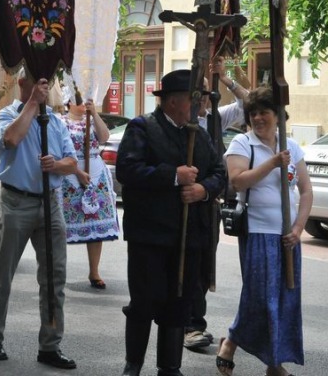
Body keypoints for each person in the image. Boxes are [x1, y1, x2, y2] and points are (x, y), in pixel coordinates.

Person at [115, 69, 226, 376]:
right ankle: (133, 364)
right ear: (176, 101)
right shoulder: (143, 128)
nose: (202, 105)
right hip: (150, 236)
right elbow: (127, 170)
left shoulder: (199, 134)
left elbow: (220, 173)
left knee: (180, 303)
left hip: (189, 237)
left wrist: (204, 190)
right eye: (197, 99)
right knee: (144, 302)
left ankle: (169, 367)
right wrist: (173, 176)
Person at [0, 70, 78, 369]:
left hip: (51, 204)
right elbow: (10, 140)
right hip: (16, 202)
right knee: (4, 275)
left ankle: (50, 345)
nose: (43, 87)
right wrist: (32, 105)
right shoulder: (7, 115)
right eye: (37, 82)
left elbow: (72, 163)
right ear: (21, 84)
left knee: (54, 276)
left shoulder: (56, 122)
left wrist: (56, 164)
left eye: (46, 83)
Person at [216, 87, 313, 376]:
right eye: (253, 113)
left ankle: (274, 363)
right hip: (258, 232)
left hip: (288, 236)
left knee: (285, 299)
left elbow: (306, 191)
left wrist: (298, 228)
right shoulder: (242, 144)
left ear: (277, 115)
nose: (258, 118)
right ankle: (232, 342)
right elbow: (238, 182)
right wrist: (272, 163)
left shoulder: (291, 147)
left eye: (264, 112)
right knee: (260, 297)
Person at [185, 57, 251, 350]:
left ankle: (192, 323)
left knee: (202, 265)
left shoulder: (215, 117)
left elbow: (249, 104)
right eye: (197, 90)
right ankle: (184, 323)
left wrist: (226, 80)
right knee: (183, 263)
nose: (203, 96)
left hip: (209, 203)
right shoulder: (175, 121)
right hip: (181, 202)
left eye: (205, 90)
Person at [56, 96, 119, 288]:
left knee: (95, 223)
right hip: (70, 174)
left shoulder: (91, 120)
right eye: (79, 100)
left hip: (96, 173)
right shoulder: (60, 122)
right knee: (61, 226)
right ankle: (59, 270)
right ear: (68, 102)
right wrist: (76, 171)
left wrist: (95, 114)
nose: (83, 103)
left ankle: (94, 271)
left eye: (86, 100)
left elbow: (104, 137)